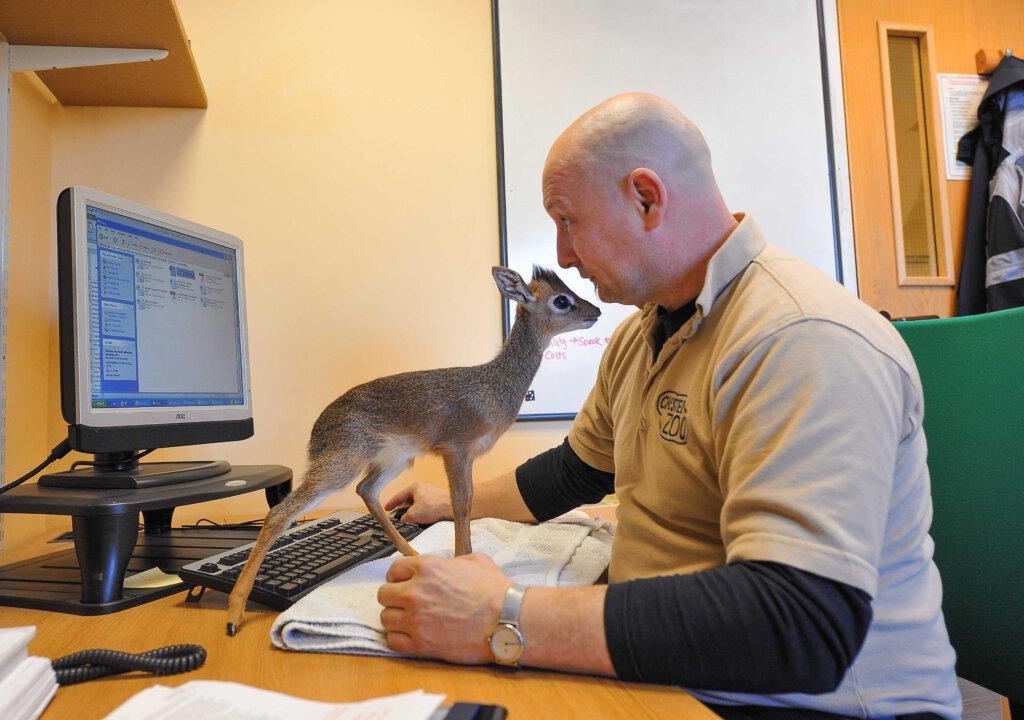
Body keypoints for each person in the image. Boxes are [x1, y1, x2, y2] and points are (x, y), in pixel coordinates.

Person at [377, 93, 962, 719]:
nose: (565, 255)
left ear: (646, 198)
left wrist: (503, 614)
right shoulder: (642, 333)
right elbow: (576, 471)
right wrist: (446, 505)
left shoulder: (800, 338)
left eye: (568, 220)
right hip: (677, 675)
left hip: (805, 702)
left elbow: (799, 625)